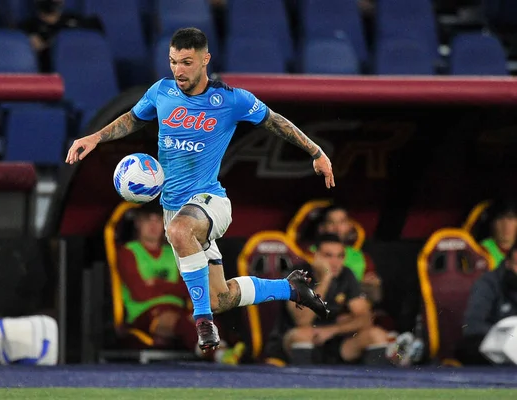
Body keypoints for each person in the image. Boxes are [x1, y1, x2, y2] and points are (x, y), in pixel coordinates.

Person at [66, 27, 334, 352]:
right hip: (174, 209)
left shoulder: (231, 99)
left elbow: (275, 121)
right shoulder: (161, 92)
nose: (178, 70)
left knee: (182, 233)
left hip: (210, 201)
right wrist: (96, 136)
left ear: (205, 60)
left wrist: (316, 152)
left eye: (186, 62)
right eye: (173, 62)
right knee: (220, 297)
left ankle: (203, 321)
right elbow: (133, 119)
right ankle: (290, 289)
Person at [117, 203, 244, 363]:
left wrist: (155, 283)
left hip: (178, 308)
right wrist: (171, 288)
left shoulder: (173, 252)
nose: (153, 225)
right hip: (144, 313)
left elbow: (187, 289)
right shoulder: (129, 252)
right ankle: (218, 354)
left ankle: (225, 349)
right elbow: (139, 293)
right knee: (179, 321)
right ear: (138, 223)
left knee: (204, 316)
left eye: (158, 220)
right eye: (148, 220)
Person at [264, 234, 415, 365]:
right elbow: (302, 320)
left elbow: (365, 318)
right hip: (297, 339)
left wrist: (331, 330)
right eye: (328, 255)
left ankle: (373, 389)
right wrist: (326, 279)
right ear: (315, 256)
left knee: (376, 334)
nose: (335, 262)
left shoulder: (346, 275)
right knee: (302, 334)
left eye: (340, 256)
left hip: (333, 338)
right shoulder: (298, 275)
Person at [457, 243, 517, 365]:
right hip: (492, 350)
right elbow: (472, 325)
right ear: (508, 263)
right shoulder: (488, 283)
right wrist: (505, 336)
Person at [316, 205, 382, 304]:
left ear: (350, 226)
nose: (337, 228)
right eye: (331, 222)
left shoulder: (363, 257)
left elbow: (376, 297)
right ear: (321, 228)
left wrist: (373, 285)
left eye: (342, 222)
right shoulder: (307, 254)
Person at [19, 0, 103, 72]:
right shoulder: (27, 28)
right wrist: (28, 47)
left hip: (79, 72)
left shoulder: (75, 21)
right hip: (50, 80)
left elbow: (97, 33)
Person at [480, 200, 517, 269]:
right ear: (492, 223)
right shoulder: (482, 251)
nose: (506, 225)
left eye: (511, 218)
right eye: (500, 219)